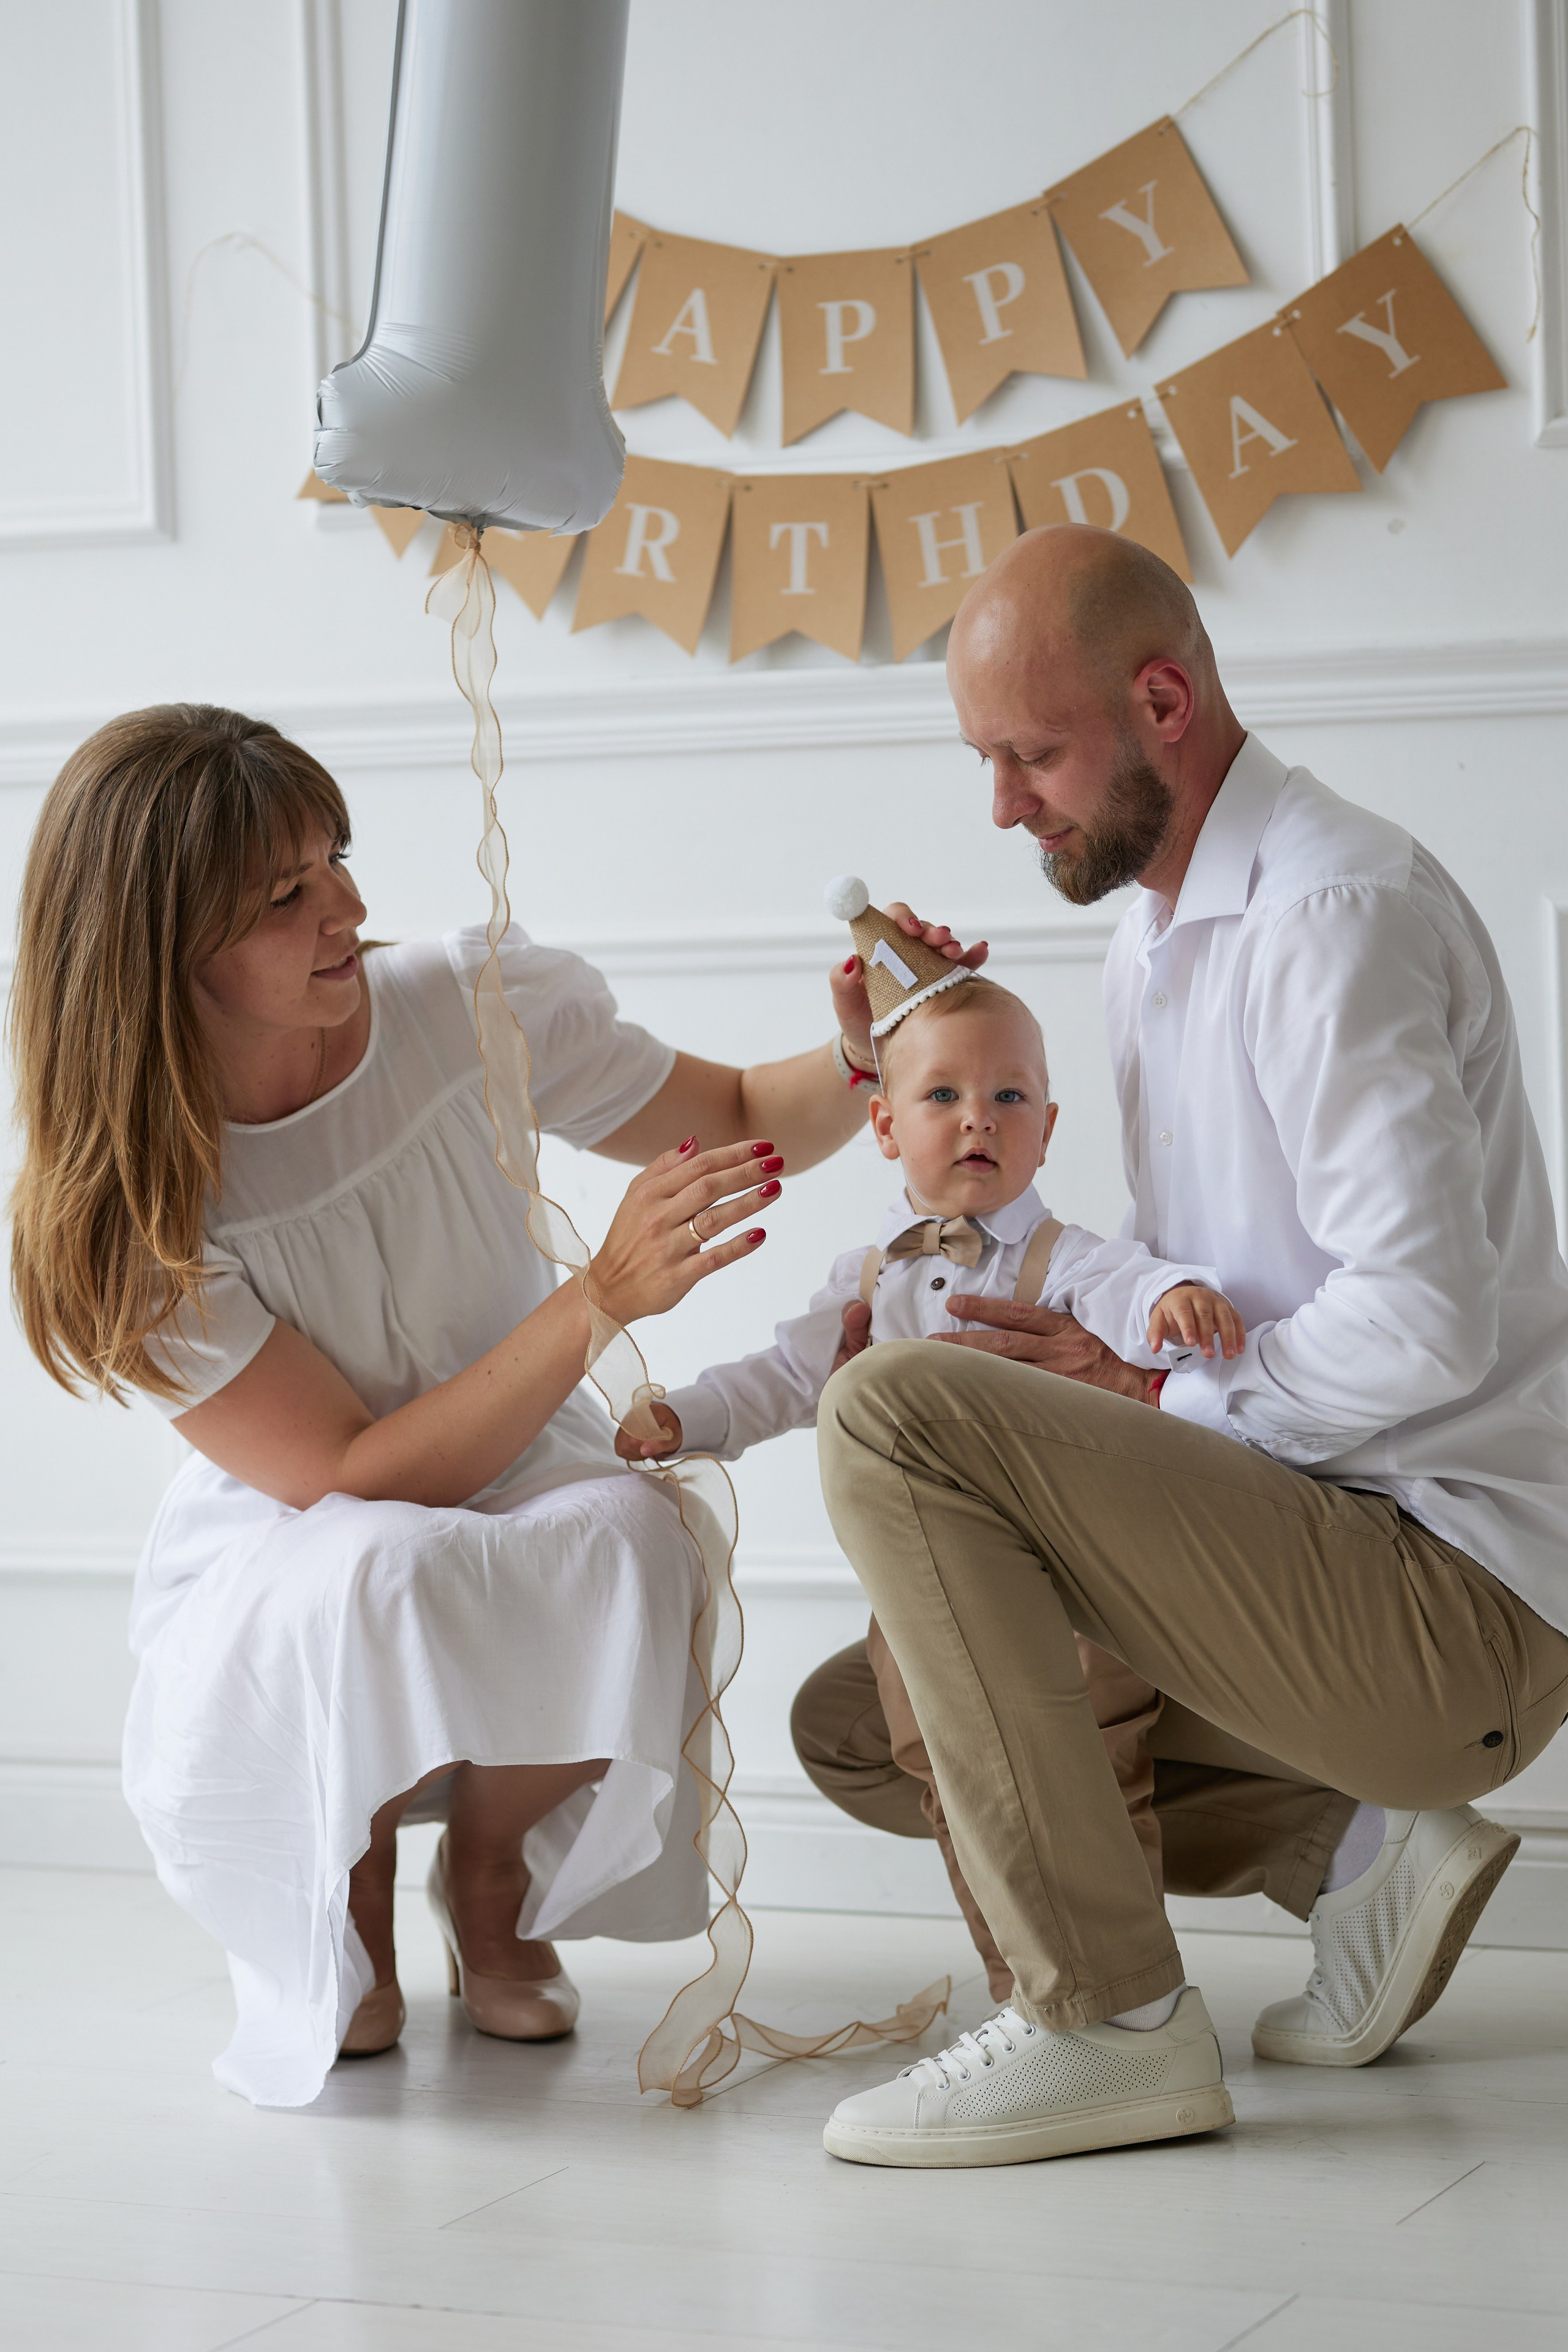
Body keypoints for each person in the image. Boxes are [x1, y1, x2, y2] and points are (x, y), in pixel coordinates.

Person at [6, 702, 979, 2111]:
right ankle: (345, 1891)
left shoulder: (460, 1008)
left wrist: (863, 1052)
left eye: (334, 857)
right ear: (165, 949)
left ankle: (494, 1874)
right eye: (285, 896)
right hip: (305, 1526)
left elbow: (727, 1112)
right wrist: (596, 1297)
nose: (346, 906)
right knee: (374, 1565)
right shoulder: (133, 1209)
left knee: (634, 1537)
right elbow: (346, 1469)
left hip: (518, 1452)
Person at [809, 524, 1568, 2171]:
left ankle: (1109, 2024)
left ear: (1164, 700)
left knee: (892, 1421)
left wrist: (1151, 1396)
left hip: (1451, 1604)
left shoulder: (1330, 914)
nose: (1004, 807)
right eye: (985, 764)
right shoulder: (1160, 928)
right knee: (873, 1717)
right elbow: (1185, 1298)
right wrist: (908, 1078)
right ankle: (1360, 1849)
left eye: (1030, 756)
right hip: (1313, 1557)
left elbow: (1425, 1321)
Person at [619, 935, 1243, 1996]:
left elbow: (1127, 1287)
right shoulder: (868, 1280)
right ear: (884, 1125)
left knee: (1099, 1776)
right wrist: (686, 1416)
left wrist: (1171, 1301)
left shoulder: (1064, 1263)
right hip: (922, 1598)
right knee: (954, 1782)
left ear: (1047, 1131)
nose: (977, 1118)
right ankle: (1030, 1994)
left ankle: (1137, 1997)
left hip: (1075, 1592)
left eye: (1009, 1097)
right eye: (944, 1094)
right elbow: (781, 1376)